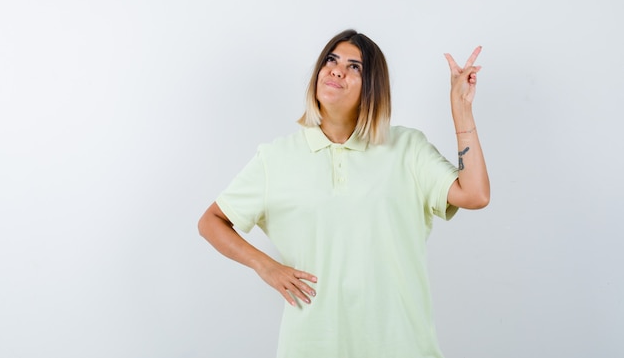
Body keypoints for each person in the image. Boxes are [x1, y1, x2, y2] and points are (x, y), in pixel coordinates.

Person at [198, 29, 490, 358]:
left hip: (401, 346)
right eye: (331, 60)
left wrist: (461, 109)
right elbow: (211, 221)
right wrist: (265, 266)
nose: (337, 70)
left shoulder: (408, 148)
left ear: (373, 88)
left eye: (355, 67)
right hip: (311, 346)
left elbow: (475, 194)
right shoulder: (276, 158)